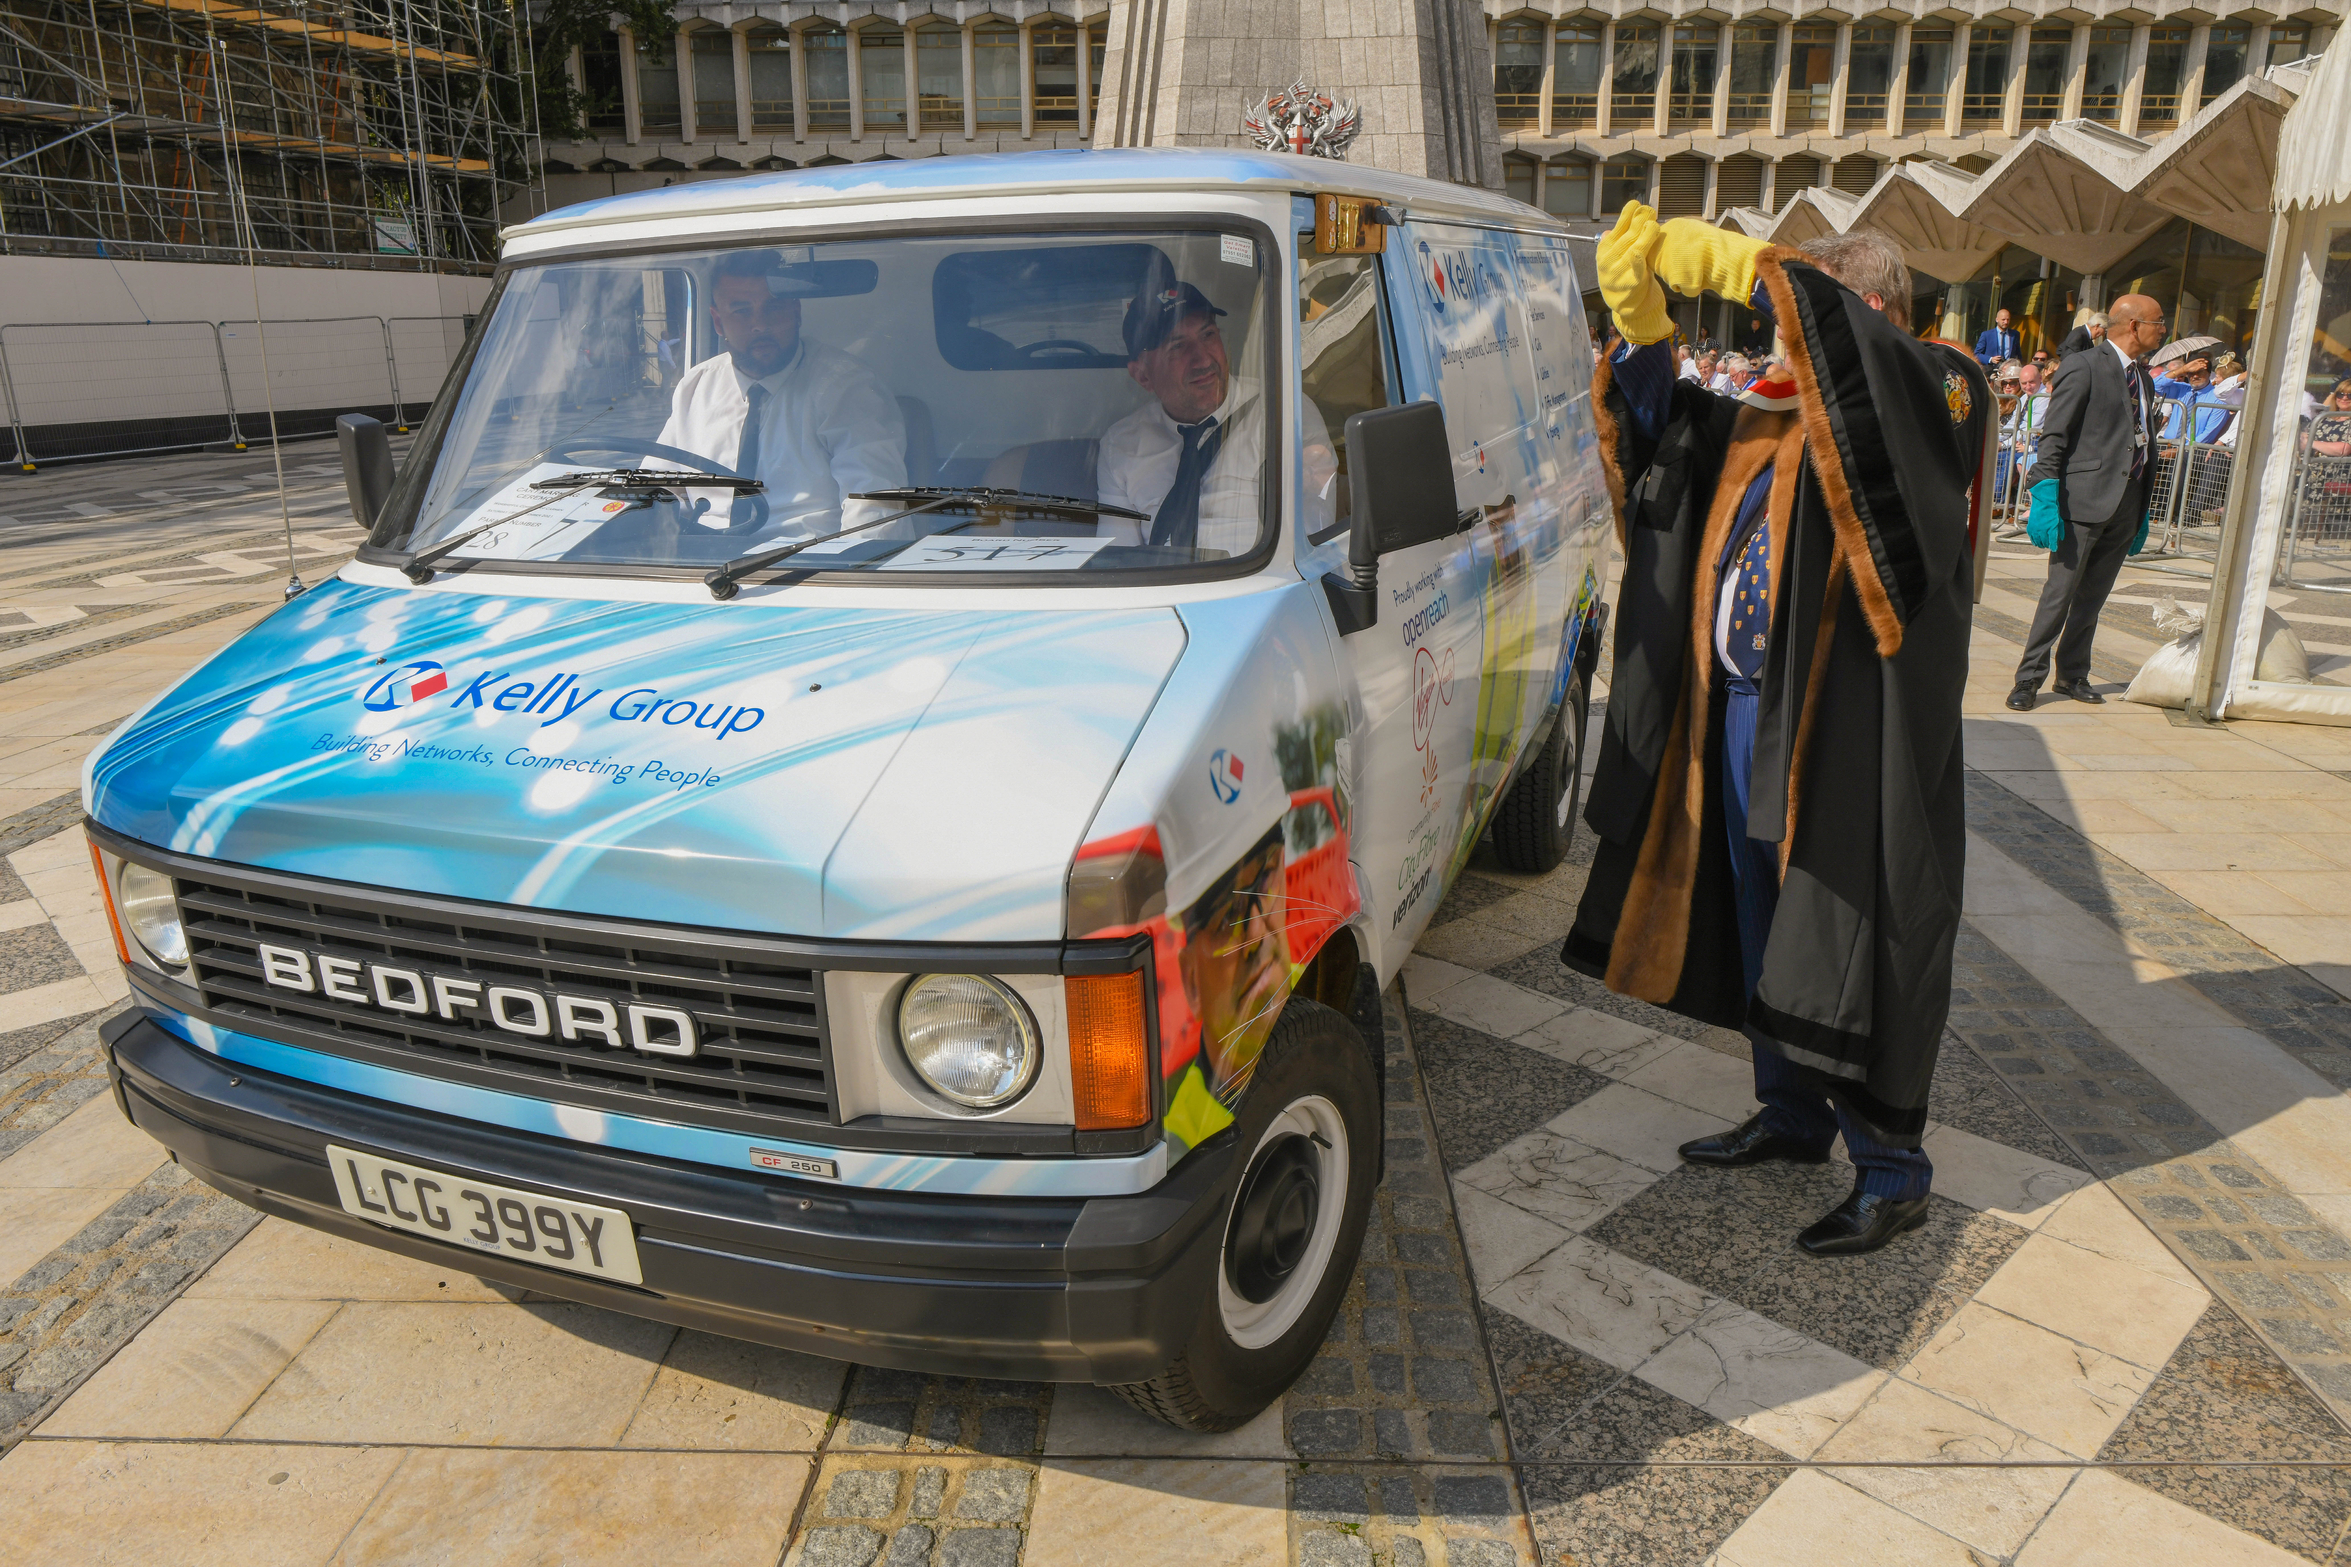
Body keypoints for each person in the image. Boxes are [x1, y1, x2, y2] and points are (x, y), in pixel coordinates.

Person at [1569, 207, 1991, 1256]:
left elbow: (1889, 403)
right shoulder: (1771, 413)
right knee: (1766, 926)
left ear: (1875, 318)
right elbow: (1671, 440)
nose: (1783, 342)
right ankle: (1791, 1114)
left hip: (1846, 729)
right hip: (1740, 713)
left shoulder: (1935, 391)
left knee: (1843, 934)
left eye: (1810, 318)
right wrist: (1643, 336)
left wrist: (1756, 268)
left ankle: (1891, 1168)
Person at [656, 249, 908, 540]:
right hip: (700, 568)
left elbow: (875, 508)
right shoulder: (696, 387)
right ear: (718, 322)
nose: (760, 324)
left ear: (796, 310)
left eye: (774, 307)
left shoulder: (845, 386)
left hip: (806, 567)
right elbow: (659, 486)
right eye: (741, 310)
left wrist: (843, 576)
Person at [2006, 294, 2168, 711]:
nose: (2164, 330)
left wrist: (2142, 505)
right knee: (2059, 595)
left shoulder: (2144, 378)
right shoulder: (2084, 365)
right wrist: (2044, 493)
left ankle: (2072, 674)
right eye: (2158, 322)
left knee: (2093, 598)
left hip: (2125, 503)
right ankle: (2028, 679)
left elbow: (2141, 442)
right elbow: (2055, 436)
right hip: (2082, 503)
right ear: (2133, 325)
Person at [1097, 278, 1295, 556]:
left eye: (1208, 335)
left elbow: (1310, 550)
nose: (1202, 359)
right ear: (1142, 375)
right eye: (1177, 346)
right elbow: (1119, 560)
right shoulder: (1121, 445)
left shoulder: (1283, 416)